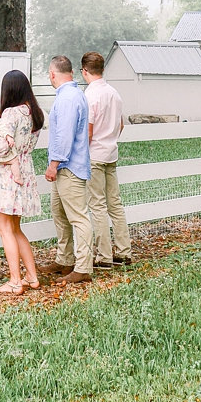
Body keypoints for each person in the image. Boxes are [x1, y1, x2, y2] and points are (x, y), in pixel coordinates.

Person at [0, 87, 43, 293]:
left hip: (5, 175)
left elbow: (3, 146)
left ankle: (15, 281)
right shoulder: (33, 112)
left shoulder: (9, 114)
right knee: (15, 229)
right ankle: (31, 277)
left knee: (5, 230)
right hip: (23, 170)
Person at [38, 55, 93, 284]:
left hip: (68, 167)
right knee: (59, 214)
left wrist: (53, 164)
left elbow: (65, 135)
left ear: (52, 74)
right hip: (64, 167)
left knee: (78, 218)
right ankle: (65, 259)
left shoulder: (68, 98)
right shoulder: (70, 95)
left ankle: (83, 267)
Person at [81, 50, 130, 269]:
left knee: (97, 206)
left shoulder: (90, 95)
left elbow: (88, 132)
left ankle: (103, 255)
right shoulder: (114, 93)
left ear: (84, 71)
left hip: (94, 154)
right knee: (115, 204)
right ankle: (123, 251)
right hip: (111, 153)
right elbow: (121, 125)